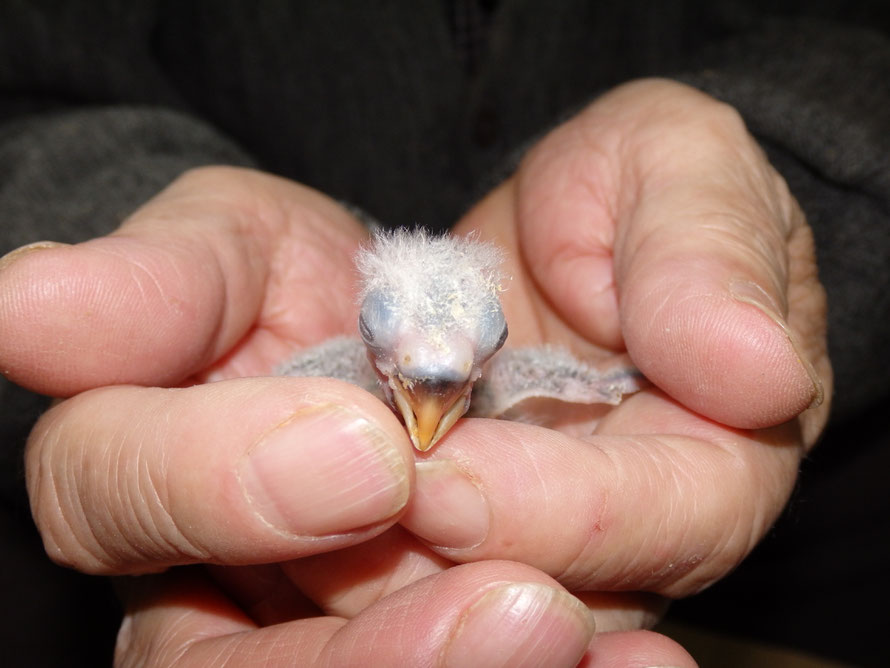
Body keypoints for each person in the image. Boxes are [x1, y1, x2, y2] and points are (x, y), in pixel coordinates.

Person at [0, 3, 886, 666]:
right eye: (409, 375)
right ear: (370, 345)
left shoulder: (498, 367)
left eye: (460, 378)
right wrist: (158, 328)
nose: (432, 402)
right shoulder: (333, 372)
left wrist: (779, 187)